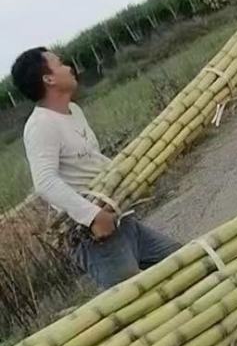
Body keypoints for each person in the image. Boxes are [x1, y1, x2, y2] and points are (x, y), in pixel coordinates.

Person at [11, 47, 180, 290]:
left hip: (121, 220)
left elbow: (91, 161)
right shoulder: (40, 126)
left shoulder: (74, 111)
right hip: (96, 236)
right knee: (138, 303)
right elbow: (45, 182)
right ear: (49, 79)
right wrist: (92, 216)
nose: (69, 67)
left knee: (184, 260)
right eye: (60, 63)